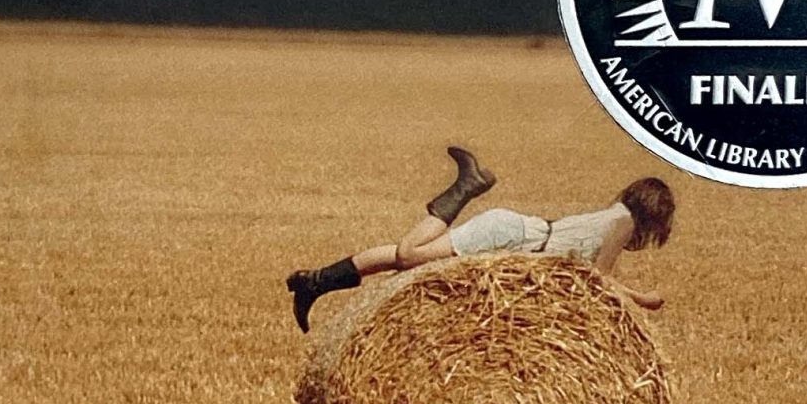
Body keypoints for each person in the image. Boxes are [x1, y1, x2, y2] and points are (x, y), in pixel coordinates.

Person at [287, 147, 675, 331]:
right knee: (409, 255)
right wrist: (642, 299)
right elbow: (598, 281)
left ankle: (316, 282)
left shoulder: (612, 217)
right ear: (650, 215)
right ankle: (464, 186)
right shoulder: (622, 221)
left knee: (401, 258)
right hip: (508, 236)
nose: (646, 242)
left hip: (512, 239)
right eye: (655, 233)